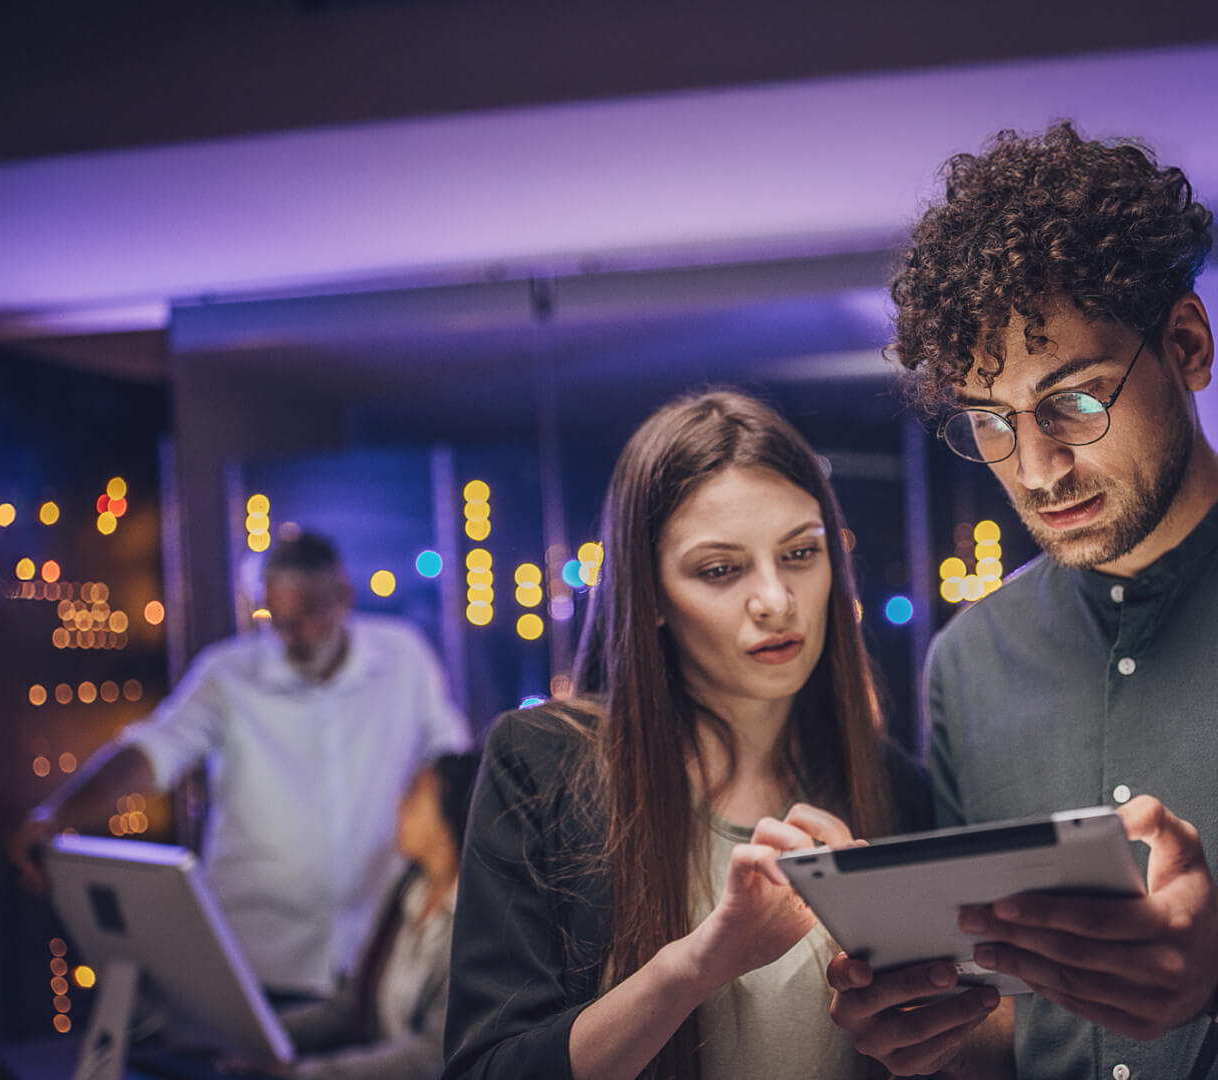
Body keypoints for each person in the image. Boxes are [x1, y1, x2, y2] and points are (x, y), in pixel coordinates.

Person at [828, 122, 1218, 1079]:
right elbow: (1013, 1023)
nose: (1037, 469)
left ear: (1187, 344)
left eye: (1075, 401)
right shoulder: (968, 660)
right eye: (990, 423)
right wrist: (925, 1030)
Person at [443, 391, 930, 1080]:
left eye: (799, 553)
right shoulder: (543, 765)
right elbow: (486, 1069)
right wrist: (698, 965)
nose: (775, 599)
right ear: (654, 598)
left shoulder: (892, 785)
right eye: (721, 570)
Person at [10, 531, 471, 998]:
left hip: (379, 953)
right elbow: (153, 751)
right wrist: (60, 815)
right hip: (258, 959)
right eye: (279, 621)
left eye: (308, 616)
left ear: (343, 597)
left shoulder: (404, 657)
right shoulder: (227, 674)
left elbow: (449, 762)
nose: (291, 639)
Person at [272, 751, 482, 1080]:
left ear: (447, 822)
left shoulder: (478, 921)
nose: (400, 804)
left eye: (414, 794)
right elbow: (347, 1009)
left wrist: (306, 1074)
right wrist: (261, 1035)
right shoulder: (407, 891)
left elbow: (434, 1055)